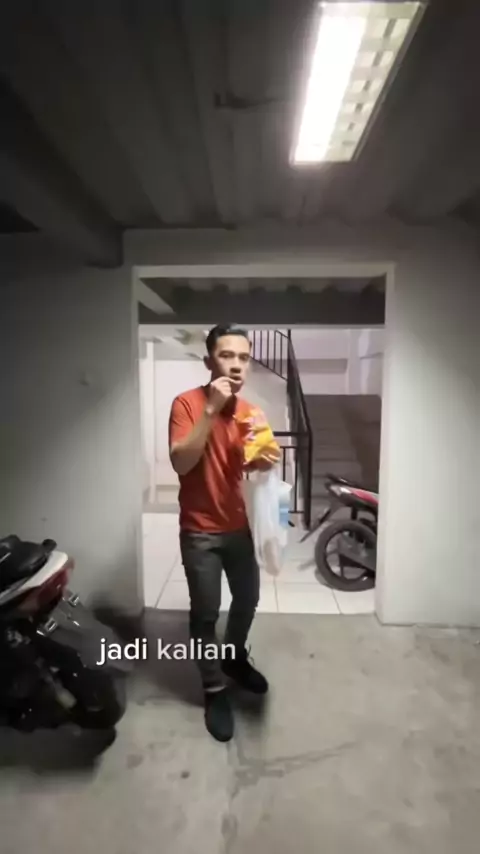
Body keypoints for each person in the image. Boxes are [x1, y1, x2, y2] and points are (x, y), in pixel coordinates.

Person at [168, 324, 280, 742]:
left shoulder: (250, 412)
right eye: (226, 355)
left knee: (248, 599)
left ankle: (233, 657)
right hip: (200, 532)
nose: (236, 365)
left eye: (243, 358)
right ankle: (214, 688)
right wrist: (211, 410)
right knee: (205, 613)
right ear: (209, 361)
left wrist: (264, 460)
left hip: (239, 527)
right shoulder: (187, 404)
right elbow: (181, 463)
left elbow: (251, 467)